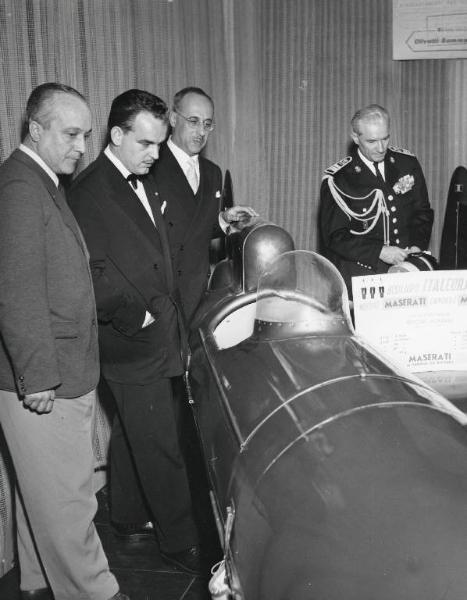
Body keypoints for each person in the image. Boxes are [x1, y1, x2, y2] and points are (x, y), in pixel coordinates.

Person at [0, 83, 127, 600]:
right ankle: (97, 592)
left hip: (58, 372)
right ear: (36, 129)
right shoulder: (20, 188)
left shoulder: (42, 180)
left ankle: (34, 585)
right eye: (71, 133)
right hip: (44, 379)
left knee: (45, 499)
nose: (81, 145)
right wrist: (39, 377)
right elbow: (17, 290)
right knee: (72, 503)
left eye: (86, 134)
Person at [68, 89, 202, 575]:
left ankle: (125, 514)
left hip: (161, 329)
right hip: (130, 339)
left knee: (135, 427)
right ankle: (180, 540)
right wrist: (136, 316)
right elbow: (87, 274)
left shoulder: (141, 175)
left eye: (160, 145)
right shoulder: (87, 191)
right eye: (146, 144)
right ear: (117, 135)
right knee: (161, 444)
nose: (155, 155)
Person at [152, 86, 258, 322]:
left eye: (207, 124)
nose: (201, 131)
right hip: (161, 295)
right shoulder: (151, 164)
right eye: (193, 121)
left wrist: (223, 219)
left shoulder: (212, 173)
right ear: (172, 118)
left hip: (197, 292)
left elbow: (196, 230)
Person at [319, 103, 434, 298]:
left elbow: (422, 212)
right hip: (363, 272)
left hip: (407, 268)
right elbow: (334, 237)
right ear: (355, 138)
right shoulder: (339, 179)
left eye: (385, 138)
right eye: (372, 141)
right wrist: (379, 251)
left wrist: (416, 246)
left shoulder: (407, 163)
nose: (381, 148)